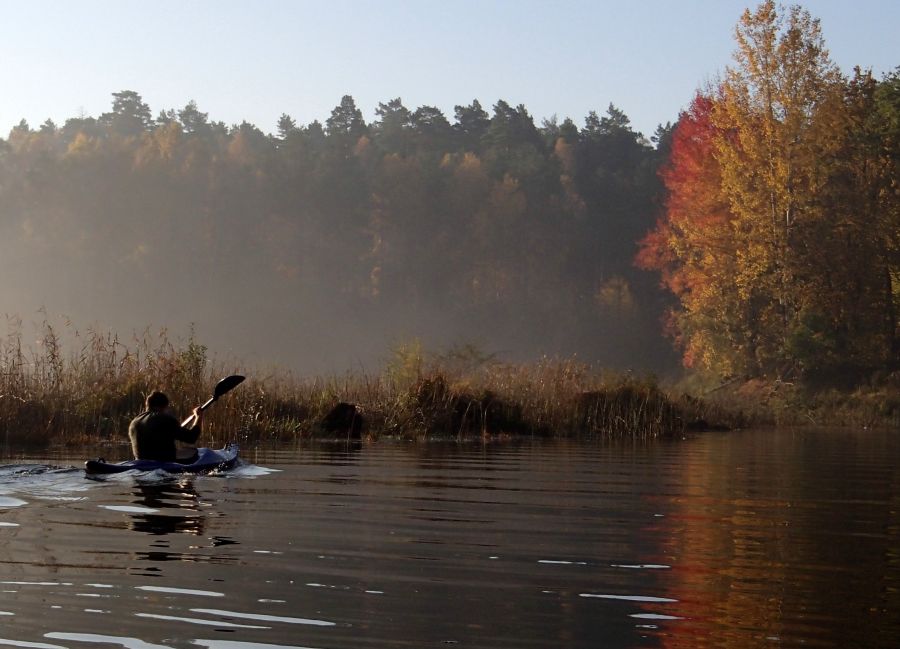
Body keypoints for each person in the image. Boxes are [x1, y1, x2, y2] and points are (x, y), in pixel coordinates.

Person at [129, 391, 203, 462]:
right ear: (164, 406)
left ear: (147, 405)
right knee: (194, 452)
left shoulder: (134, 422)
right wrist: (198, 416)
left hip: (139, 465)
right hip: (163, 465)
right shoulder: (166, 419)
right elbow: (191, 437)